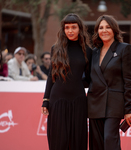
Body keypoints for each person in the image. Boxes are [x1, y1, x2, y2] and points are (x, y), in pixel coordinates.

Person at [41, 13, 92, 150]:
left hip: (79, 100)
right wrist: (46, 99)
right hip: (57, 99)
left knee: (77, 140)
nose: (70, 30)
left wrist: (76, 84)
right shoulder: (56, 49)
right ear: (63, 29)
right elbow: (51, 76)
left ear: (80, 29)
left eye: (73, 27)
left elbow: (89, 78)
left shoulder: (87, 51)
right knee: (58, 140)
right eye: (67, 27)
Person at [87, 15, 131, 150]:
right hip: (95, 103)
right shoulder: (94, 52)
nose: (104, 30)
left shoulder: (124, 49)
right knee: (96, 143)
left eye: (108, 27)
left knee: (109, 139)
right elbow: (89, 78)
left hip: (114, 103)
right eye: (101, 28)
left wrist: (129, 108)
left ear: (114, 29)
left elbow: (129, 81)